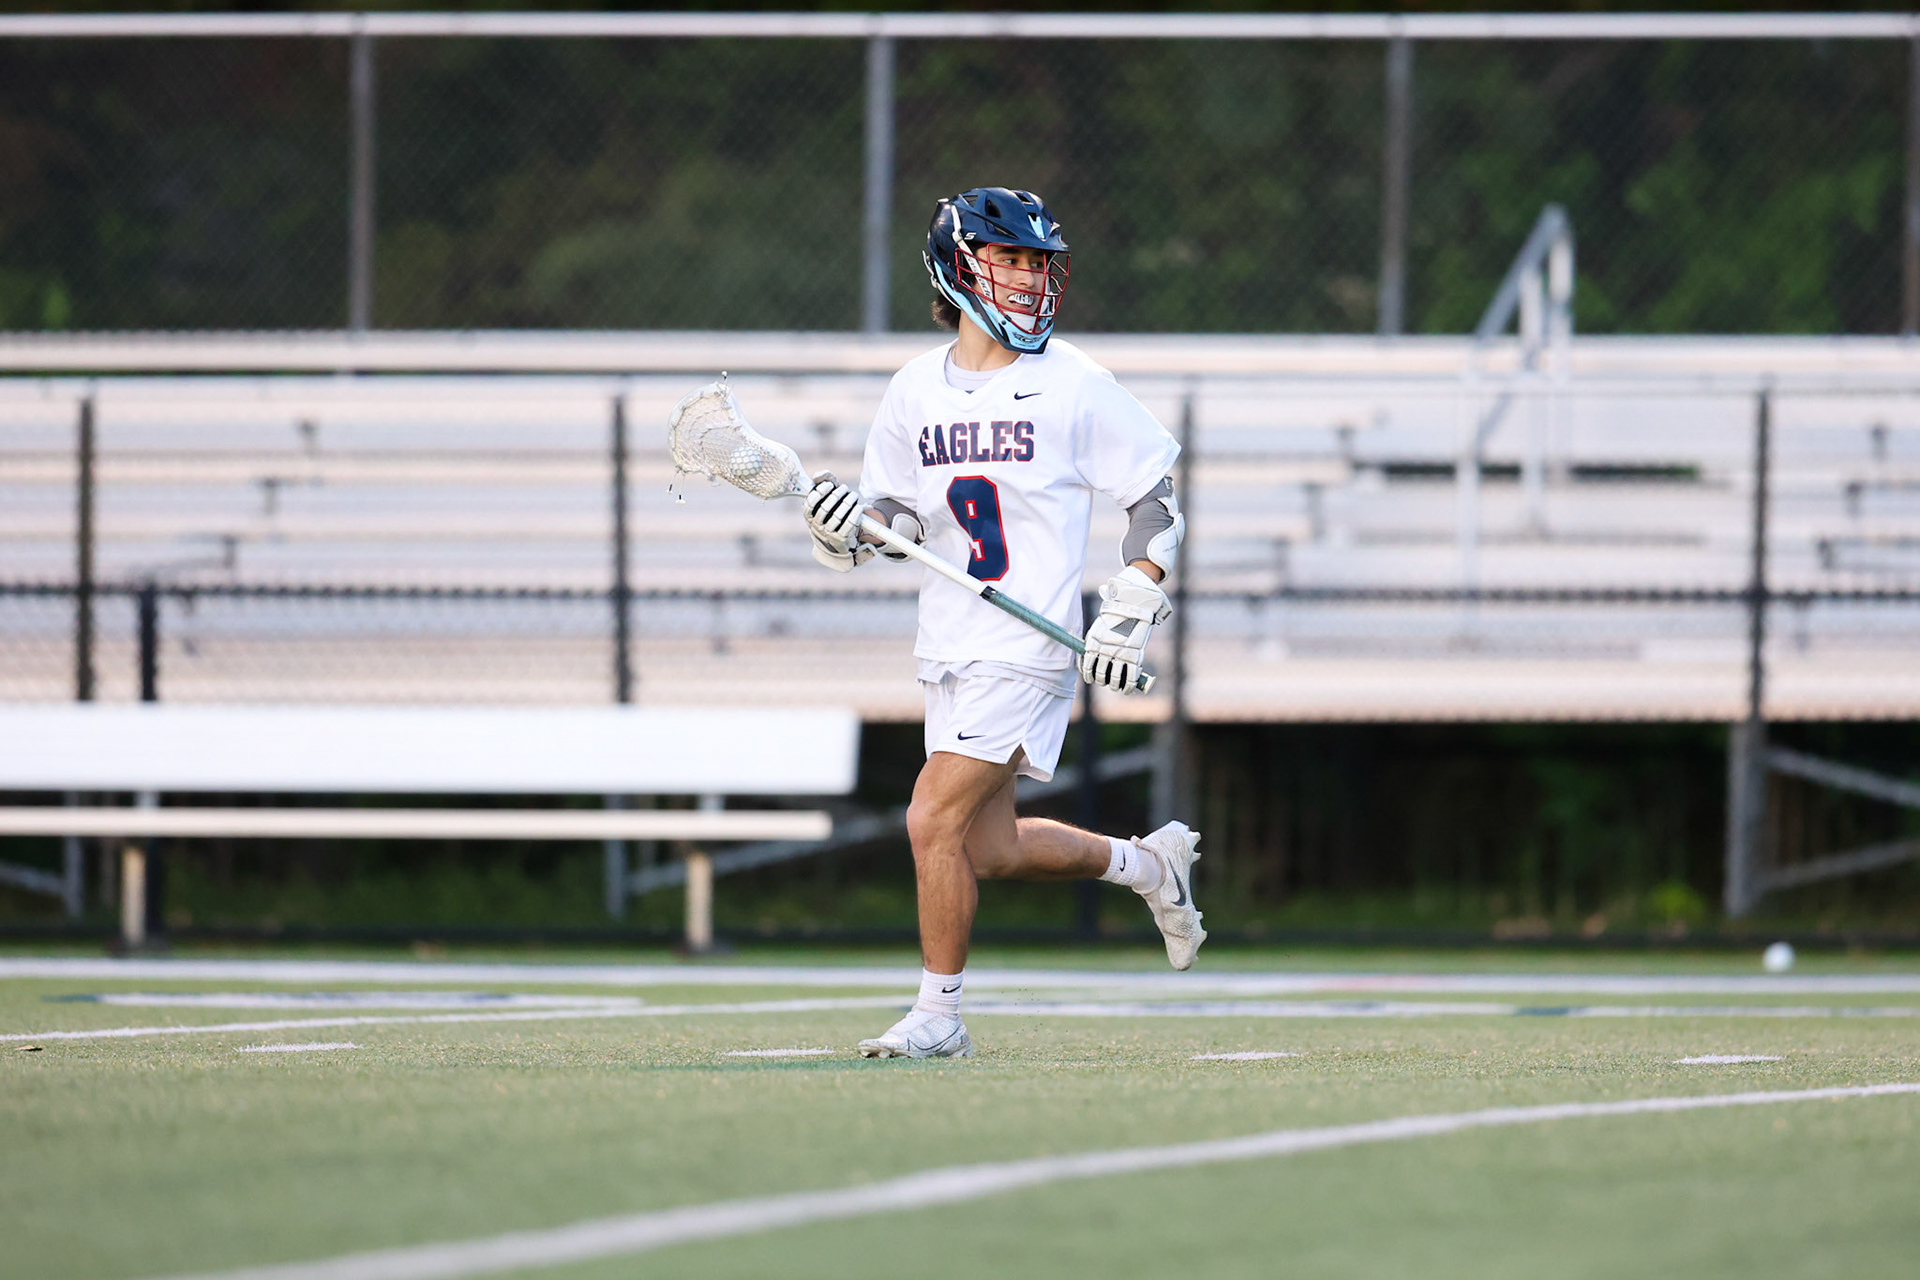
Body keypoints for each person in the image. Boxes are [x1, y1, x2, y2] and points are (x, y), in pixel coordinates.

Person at [803, 187, 1203, 1059]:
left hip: (1025, 644)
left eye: (1036, 260)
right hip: (947, 641)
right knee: (989, 847)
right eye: (1008, 258)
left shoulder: (1074, 383)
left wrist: (1131, 600)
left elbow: (1155, 502)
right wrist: (853, 529)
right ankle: (1148, 864)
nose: (1027, 277)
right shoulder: (913, 388)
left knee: (929, 820)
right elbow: (900, 520)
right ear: (955, 266)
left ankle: (938, 1017)